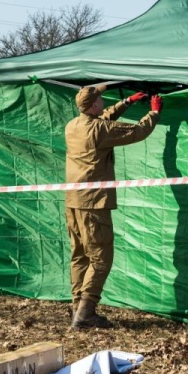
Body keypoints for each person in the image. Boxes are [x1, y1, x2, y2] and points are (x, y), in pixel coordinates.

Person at [65, 84, 162, 329]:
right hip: (93, 203)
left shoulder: (73, 126)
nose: (103, 101)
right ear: (95, 104)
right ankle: (86, 313)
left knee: (80, 256)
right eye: (101, 99)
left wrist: (126, 102)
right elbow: (137, 132)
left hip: (73, 201)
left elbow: (102, 122)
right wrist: (154, 112)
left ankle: (77, 308)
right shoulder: (99, 129)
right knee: (100, 257)